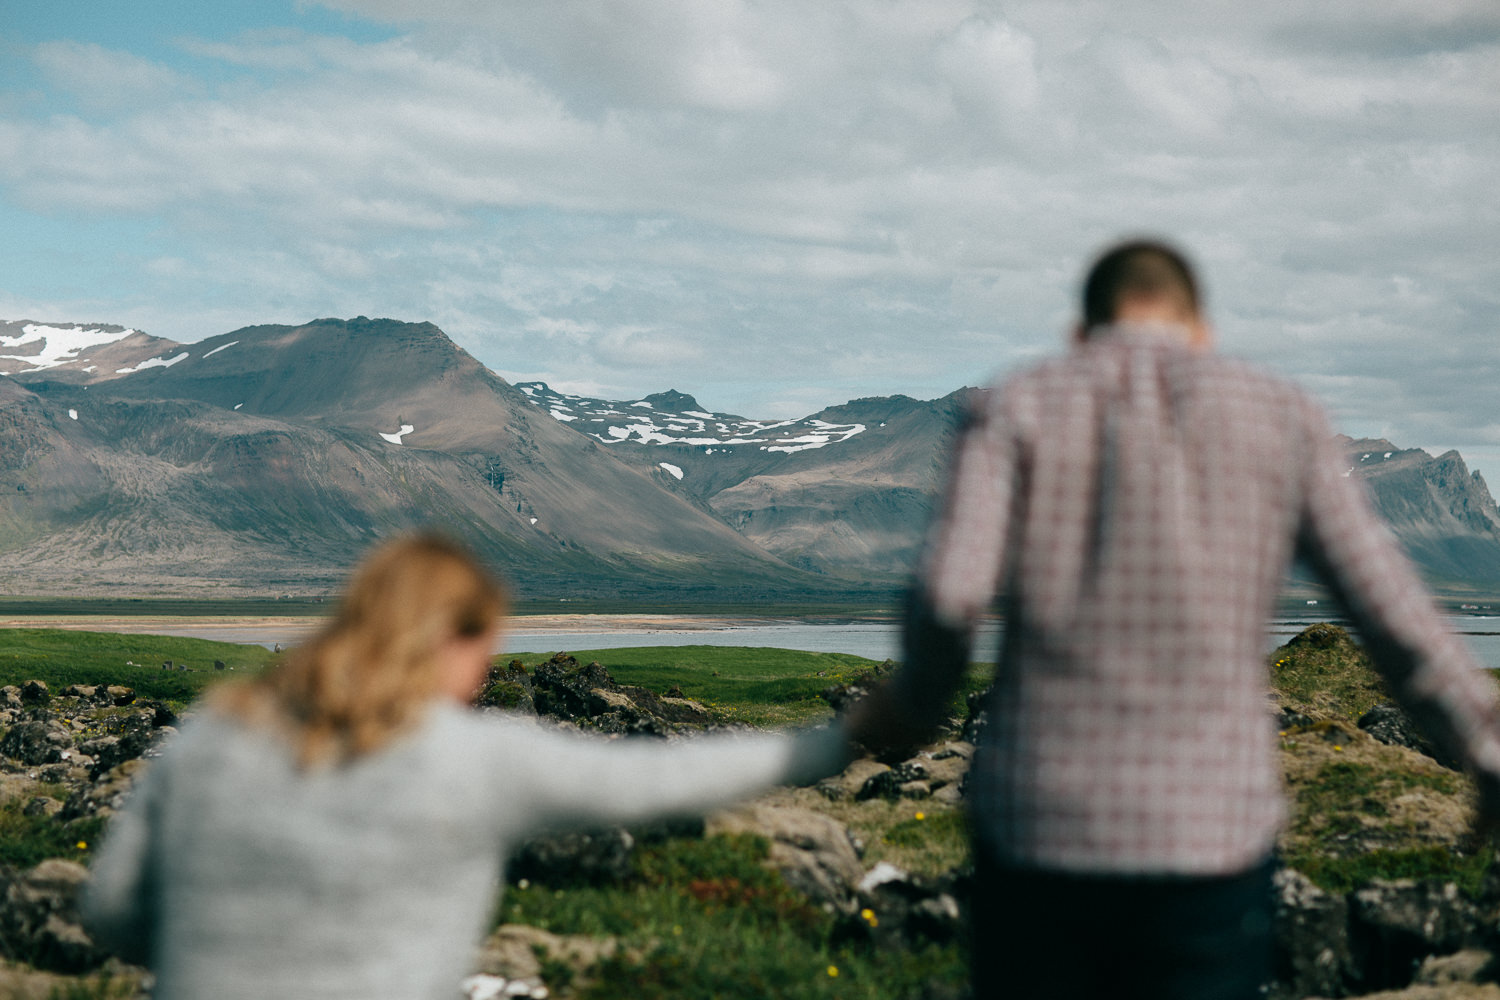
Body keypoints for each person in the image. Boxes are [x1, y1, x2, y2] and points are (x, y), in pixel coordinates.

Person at [850, 239, 1500, 999]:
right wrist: (1480, 744)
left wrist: (908, 712)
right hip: (1209, 844)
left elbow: (951, 595)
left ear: (1081, 332)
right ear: (1202, 329)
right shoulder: (1280, 414)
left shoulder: (1015, 405)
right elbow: (1389, 608)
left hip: (1038, 830)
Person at [82, 534, 852, 1000]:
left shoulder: (213, 735)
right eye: (483, 649)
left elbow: (109, 911)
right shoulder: (472, 759)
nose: (486, 674)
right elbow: (658, 782)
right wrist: (842, 740)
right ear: (447, 637)